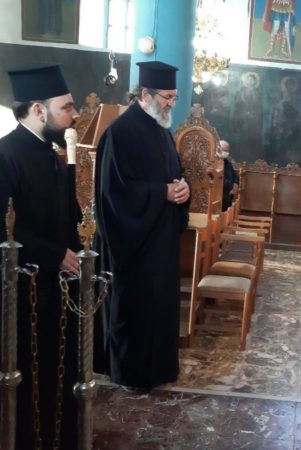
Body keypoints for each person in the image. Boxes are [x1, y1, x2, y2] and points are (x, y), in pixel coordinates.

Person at [94, 61, 190, 394]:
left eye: (174, 97)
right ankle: (131, 375)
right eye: (167, 97)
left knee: (160, 309)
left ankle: (159, 369)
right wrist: (162, 192)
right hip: (133, 245)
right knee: (136, 310)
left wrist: (183, 188)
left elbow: (174, 174)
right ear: (145, 95)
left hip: (161, 242)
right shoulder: (120, 133)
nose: (171, 104)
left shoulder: (162, 131)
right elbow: (114, 193)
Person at [0, 64, 81, 449]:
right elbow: (5, 231)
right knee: (29, 371)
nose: (74, 114)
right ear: (38, 110)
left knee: (55, 368)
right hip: (24, 291)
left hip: (56, 287)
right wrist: (54, 255)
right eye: (66, 107)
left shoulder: (51, 152)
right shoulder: (6, 154)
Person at [219, 140, 239, 211]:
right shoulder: (213, 162)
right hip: (220, 195)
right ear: (218, 150)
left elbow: (235, 176)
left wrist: (236, 184)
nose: (226, 153)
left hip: (228, 196)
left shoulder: (227, 163)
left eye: (227, 151)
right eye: (224, 151)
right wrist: (231, 185)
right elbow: (218, 179)